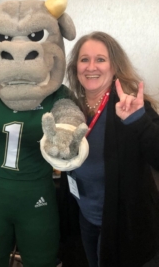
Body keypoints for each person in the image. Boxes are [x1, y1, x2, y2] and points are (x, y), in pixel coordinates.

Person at [63, 31, 159, 267]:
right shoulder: (72, 108)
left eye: (100, 59)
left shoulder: (131, 107)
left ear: (114, 66)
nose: (91, 66)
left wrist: (138, 121)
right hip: (85, 216)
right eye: (84, 59)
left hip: (122, 225)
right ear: (76, 66)